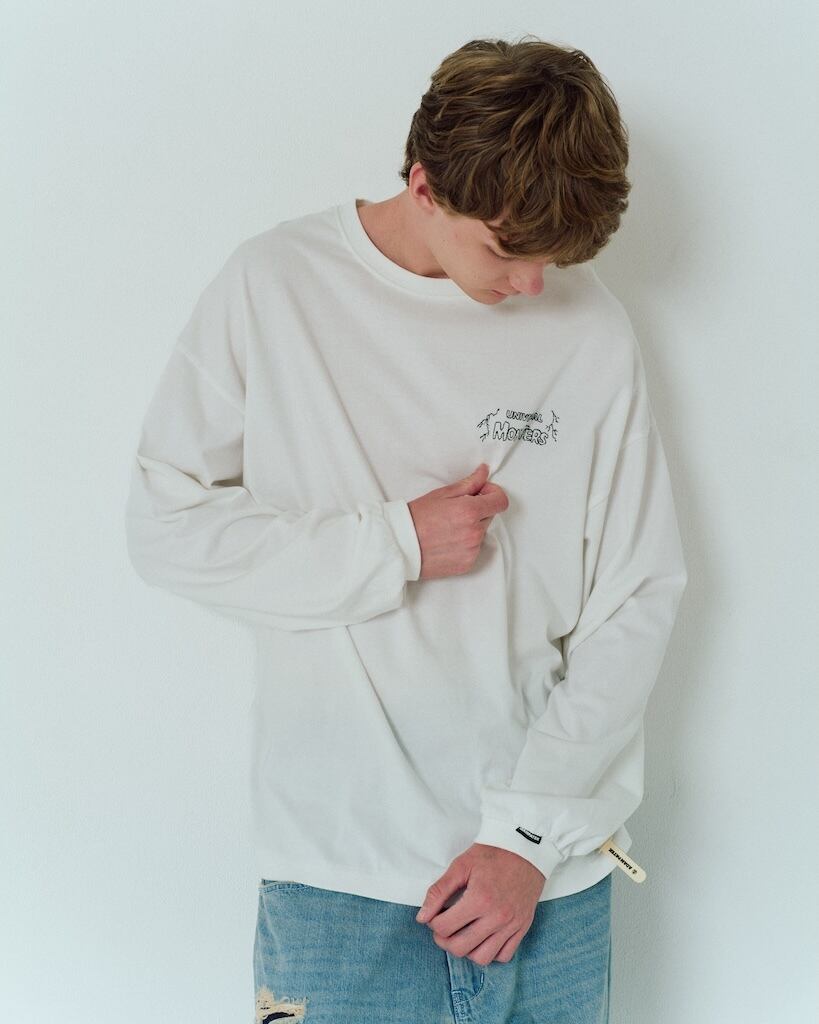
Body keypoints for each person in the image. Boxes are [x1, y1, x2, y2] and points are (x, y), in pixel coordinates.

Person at [124, 34, 688, 1024]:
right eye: (506, 251)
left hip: (548, 879)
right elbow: (164, 525)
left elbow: (637, 596)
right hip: (338, 884)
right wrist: (393, 545)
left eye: (554, 259)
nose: (532, 286)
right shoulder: (276, 287)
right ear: (425, 186)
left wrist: (524, 837)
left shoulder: (591, 328)